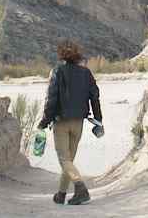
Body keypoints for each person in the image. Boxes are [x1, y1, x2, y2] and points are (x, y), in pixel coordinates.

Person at [38, 40, 103, 206]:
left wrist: (44, 121)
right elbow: (95, 96)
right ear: (77, 56)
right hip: (79, 123)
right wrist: (98, 120)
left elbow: (51, 99)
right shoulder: (86, 73)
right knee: (69, 161)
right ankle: (61, 194)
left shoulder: (57, 71)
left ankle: (81, 189)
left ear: (61, 55)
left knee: (64, 160)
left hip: (61, 122)